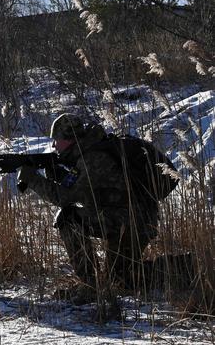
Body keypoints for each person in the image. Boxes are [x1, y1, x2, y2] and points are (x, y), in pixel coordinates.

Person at [17, 113, 159, 303]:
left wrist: (32, 179)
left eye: (57, 140)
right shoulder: (90, 152)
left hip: (131, 223)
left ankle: (90, 286)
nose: (54, 146)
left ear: (70, 140)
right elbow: (84, 188)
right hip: (130, 220)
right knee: (120, 280)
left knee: (68, 218)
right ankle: (184, 269)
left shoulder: (93, 158)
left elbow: (65, 198)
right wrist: (55, 172)